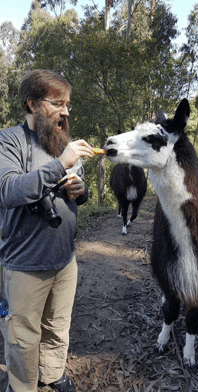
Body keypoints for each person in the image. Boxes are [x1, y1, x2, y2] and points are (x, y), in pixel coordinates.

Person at [0, 69, 94, 392]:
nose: (66, 111)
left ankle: (52, 373)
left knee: (57, 326)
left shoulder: (60, 140)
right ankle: (21, 385)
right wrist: (60, 164)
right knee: (22, 338)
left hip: (65, 260)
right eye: (58, 103)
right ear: (32, 104)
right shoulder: (9, 140)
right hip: (25, 264)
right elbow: (8, 190)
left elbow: (78, 193)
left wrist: (80, 189)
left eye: (68, 104)